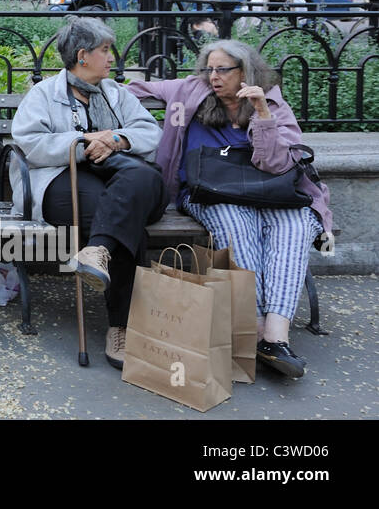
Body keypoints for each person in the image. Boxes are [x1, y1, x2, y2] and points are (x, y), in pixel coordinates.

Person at [128, 41, 334, 378]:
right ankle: (255, 330)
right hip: (209, 190)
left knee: (296, 225)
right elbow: (132, 90)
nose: (214, 76)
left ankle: (274, 338)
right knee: (237, 225)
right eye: (210, 68)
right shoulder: (188, 90)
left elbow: (278, 164)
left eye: (223, 69)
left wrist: (262, 114)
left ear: (245, 72)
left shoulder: (270, 99)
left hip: (270, 189)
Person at [9, 17, 165, 368]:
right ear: (83, 55)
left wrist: (118, 139)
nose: (112, 58)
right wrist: (82, 143)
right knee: (124, 219)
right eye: (106, 50)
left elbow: (149, 132)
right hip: (63, 177)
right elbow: (29, 144)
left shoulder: (116, 93)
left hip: (121, 177)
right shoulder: (44, 94)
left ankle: (96, 252)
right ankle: (121, 327)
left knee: (138, 186)